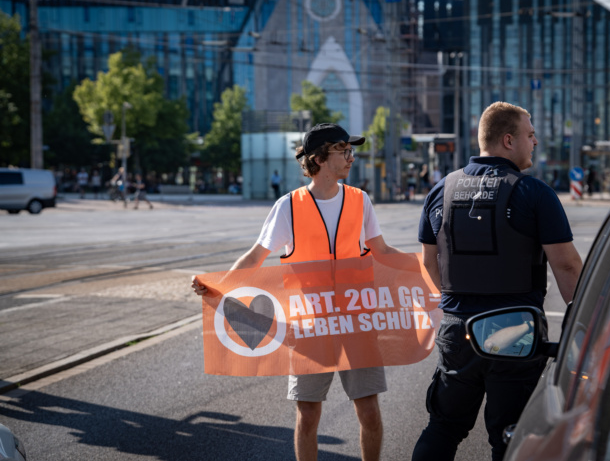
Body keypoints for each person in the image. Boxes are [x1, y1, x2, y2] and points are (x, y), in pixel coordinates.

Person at [192, 123, 404, 461]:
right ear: (320, 158)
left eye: (351, 150)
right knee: (307, 417)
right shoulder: (288, 206)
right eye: (344, 150)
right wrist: (219, 286)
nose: (351, 157)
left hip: (356, 322)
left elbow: (383, 251)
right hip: (310, 325)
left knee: (369, 412)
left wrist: (428, 270)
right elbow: (255, 256)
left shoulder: (360, 200)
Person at [412, 101, 583, 461]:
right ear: (508, 140)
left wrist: (458, 304)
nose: (535, 142)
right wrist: (587, 322)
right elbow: (567, 267)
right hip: (515, 331)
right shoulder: (533, 192)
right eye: (530, 134)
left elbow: (428, 262)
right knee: (511, 437)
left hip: (457, 330)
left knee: (443, 427)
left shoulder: (441, 190)